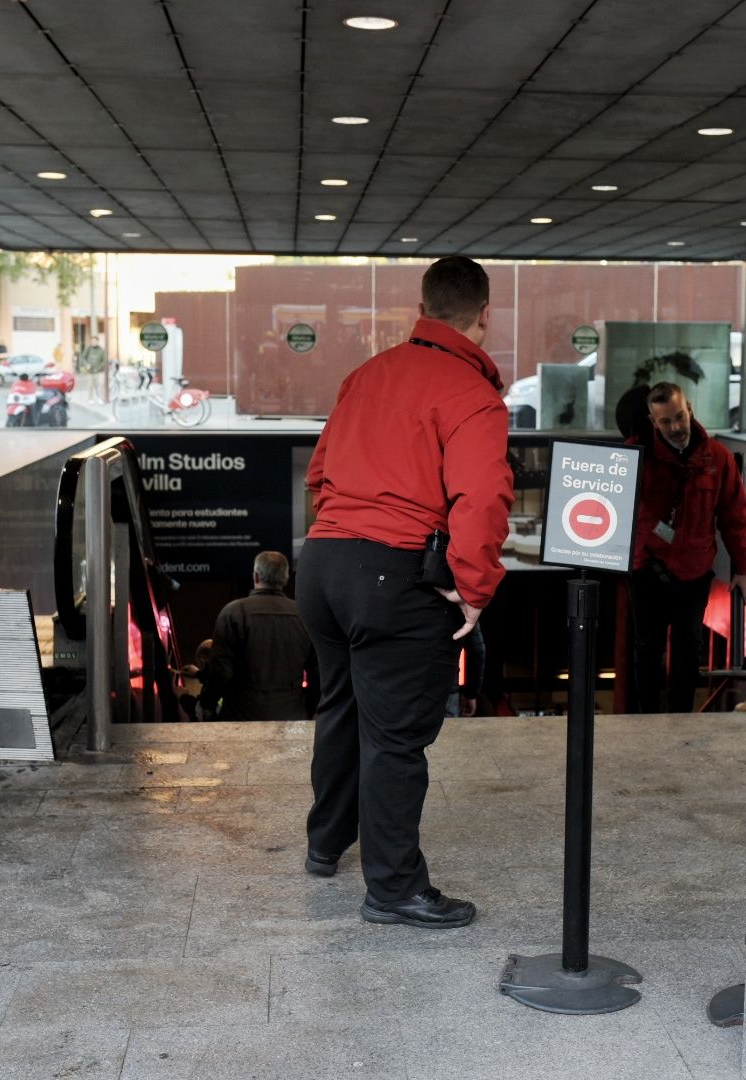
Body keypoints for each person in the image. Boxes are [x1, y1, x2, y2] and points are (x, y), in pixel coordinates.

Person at [298, 255, 514, 930]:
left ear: (422, 306)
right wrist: (475, 589)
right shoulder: (472, 395)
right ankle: (393, 889)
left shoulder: (366, 376)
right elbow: (483, 500)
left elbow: (318, 474)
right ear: (484, 313)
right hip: (392, 575)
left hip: (323, 564)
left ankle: (325, 841)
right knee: (395, 738)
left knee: (341, 705)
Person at [628, 382, 746, 713]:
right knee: (647, 650)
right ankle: (647, 722)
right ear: (652, 422)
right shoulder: (636, 457)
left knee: (688, 650)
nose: (675, 427)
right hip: (647, 570)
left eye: (679, 417)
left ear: (690, 411)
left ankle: (681, 721)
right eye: (665, 422)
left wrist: (744, 569)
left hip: (694, 572)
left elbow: (735, 515)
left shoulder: (718, 459)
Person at [199, 551, 319, 722]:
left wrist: (208, 704)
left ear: (256, 576)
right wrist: (312, 708)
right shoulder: (304, 615)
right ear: (285, 579)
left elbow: (221, 671)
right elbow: (317, 672)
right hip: (292, 716)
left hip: (241, 716)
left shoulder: (233, 613)